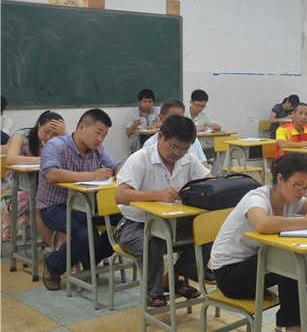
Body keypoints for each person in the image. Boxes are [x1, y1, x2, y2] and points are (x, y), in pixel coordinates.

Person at [210, 153, 307, 332]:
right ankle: (287, 325)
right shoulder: (256, 198)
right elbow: (263, 224)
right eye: (298, 185)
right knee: (287, 257)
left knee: (303, 258)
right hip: (230, 274)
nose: (302, 192)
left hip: (256, 266)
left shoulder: (292, 199)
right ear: (280, 179)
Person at [115, 115, 210, 307]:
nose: (178, 153)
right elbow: (121, 195)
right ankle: (153, 290)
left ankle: (172, 278)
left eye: (184, 149)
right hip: (135, 226)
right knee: (152, 243)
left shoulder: (189, 160)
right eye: (174, 147)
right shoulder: (140, 159)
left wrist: (194, 191)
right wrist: (159, 195)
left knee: (206, 236)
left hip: (173, 225)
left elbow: (211, 184)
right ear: (160, 137)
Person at [38, 109, 123, 291]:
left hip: (88, 206)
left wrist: (120, 171)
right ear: (82, 127)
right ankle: (52, 266)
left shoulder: (97, 149)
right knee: (88, 237)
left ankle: (90, 256)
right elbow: (51, 174)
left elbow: (115, 164)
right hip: (55, 207)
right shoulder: (56, 145)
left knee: (129, 222)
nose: (100, 139)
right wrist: (92, 175)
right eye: (98, 133)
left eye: (104, 135)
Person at [1, 111, 66, 244]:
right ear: (38, 125)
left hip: (43, 187)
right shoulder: (21, 135)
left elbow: (67, 160)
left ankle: (64, 249)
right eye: (46, 132)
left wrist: (63, 135)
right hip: (16, 189)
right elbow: (11, 159)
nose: (48, 137)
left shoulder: (59, 141)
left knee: (65, 205)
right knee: (39, 205)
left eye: (54, 134)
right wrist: (45, 159)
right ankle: (56, 249)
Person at [142, 98, 209, 168]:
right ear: (161, 117)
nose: (177, 123)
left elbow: (205, 166)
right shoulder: (149, 145)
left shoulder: (192, 140)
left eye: (180, 118)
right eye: (172, 118)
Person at [124, 89, 161, 154]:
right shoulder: (132, 114)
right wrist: (134, 125)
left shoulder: (157, 111)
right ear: (139, 101)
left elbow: (165, 124)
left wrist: (155, 125)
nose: (147, 104)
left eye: (150, 102)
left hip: (155, 140)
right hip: (138, 142)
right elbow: (128, 133)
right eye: (144, 102)